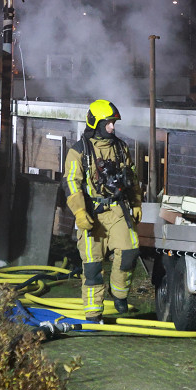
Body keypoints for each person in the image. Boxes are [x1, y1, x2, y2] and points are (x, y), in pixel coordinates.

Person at [62, 99, 143, 322]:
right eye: (108, 123)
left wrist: (136, 203)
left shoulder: (120, 147)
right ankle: (93, 311)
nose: (112, 128)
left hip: (117, 210)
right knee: (92, 266)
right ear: (96, 123)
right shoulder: (79, 151)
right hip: (91, 214)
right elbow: (71, 182)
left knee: (130, 250)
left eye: (113, 123)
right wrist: (79, 212)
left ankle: (118, 294)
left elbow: (132, 178)